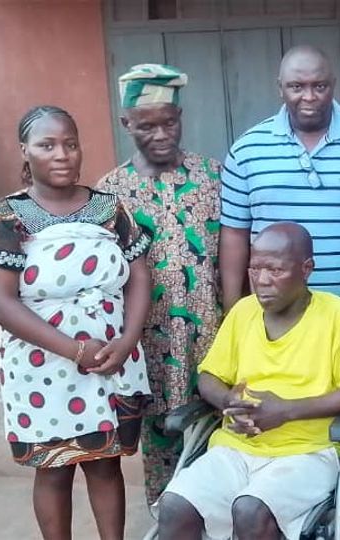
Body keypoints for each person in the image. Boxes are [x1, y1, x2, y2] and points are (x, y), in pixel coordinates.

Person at [0, 105, 153, 540]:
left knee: (105, 464)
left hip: (111, 358)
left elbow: (140, 275)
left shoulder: (110, 209)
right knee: (53, 469)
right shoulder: (7, 217)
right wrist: (74, 350)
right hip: (41, 365)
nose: (62, 155)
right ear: (25, 151)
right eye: (47, 145)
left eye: (70, 144)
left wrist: (127, 340)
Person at [156, 222, 340, 540]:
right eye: (255, 268)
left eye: (275, 270)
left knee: (250, 511)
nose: (262, 281)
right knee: (174, 506)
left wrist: (285, 411)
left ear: (306, 269)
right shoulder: (243, 313)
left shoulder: (338, 316)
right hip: (236, 448)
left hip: (307, 452)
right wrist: (227, 402)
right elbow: (210, 376)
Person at [219, 46, 340, 416]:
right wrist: (235, 309)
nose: (309, 97)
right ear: (279, 88)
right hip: (276, 327)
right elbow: (234, 234)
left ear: (334, 85)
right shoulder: (247, 150)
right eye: (297, 86)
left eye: (320, 86)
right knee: (281, 425)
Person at [98, 63, 224, 503]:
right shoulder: (110, 192)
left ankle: (218, 515)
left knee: (218, 425)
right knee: (161, 433)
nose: (161, 134)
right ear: (126, 123)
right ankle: (168, 516)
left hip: (211, 330)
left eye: (169, 122)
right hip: (148, 339)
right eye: (146, 125)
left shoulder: (213, 176)